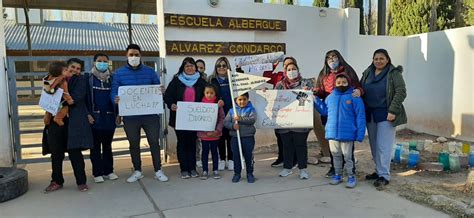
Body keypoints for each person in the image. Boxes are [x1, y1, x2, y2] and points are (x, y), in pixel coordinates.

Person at [111, 44, 168, 183]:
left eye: (136, 54)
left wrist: (160, 90)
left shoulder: (150, 72)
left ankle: (158, 170)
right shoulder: (119, 73)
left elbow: (158, 87)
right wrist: (115, 98)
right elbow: (113, 91)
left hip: (150, 115)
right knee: (133, 143)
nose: (134, 57)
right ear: (126, 56)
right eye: (131, 54)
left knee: (154, 142)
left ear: (140, 56)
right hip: (130, 116)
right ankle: (137, 170)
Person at [360, 49, 407, 190]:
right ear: (373, 60)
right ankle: (378, 171)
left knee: (383, 146)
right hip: (371, 114)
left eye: (382, 58)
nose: (378, 61)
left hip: (386, 114)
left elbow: (401, 92)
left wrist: (393, 110)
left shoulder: (394, 74)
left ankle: (384, 175)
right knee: (374, 146)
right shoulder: (368, 72)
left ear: (387, 59)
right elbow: (361, 89)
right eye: (376, 59)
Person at [42, 60, 91, 193]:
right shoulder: (53, 79)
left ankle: (81, 181)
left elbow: (77, 98)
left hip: (73, 122)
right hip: (54, 123)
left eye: (78, 68)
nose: (75, 70)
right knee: (56, 153)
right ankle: (56, 181)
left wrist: (62, 98)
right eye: (72, 67)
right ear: (65, 68)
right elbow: (46, 94)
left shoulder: (80, 81)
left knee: (75, 153)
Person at [314, 49, 364, 178]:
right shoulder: (323, 74)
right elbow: (320, 91)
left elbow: (358, 87)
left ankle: (350, 170)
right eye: (329, 58)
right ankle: (335, 168)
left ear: (339, 58)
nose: (332, 60)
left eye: (334, 57)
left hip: (346, 114)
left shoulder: (348, 71)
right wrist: (315, 93)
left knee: (347, 147)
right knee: (334, 145)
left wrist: (359, 91)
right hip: (329, 113)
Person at [164, 57, 207, 179]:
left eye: (192, 65)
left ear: (195, 67)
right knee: (182, 143)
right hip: (179, 118)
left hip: (194, 118)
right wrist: (171, 104)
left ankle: (192, 168)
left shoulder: (201, 81)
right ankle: (184, 169)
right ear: (183, 67)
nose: (189, 68)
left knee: (192, 143)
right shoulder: (176, 81)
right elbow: (167, 96)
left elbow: (208, 95)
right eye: (187, 66)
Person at [275, 62, 313, 180]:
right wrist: (266, 92)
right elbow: (274, 99)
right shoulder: (280, 85)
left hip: (300, 121)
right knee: (286, 146)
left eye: (294, 68)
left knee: (300, 145)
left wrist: (307, 92)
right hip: (284, 122)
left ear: (298, 69)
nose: (292, 71)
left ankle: (303, 169)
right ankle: (287, 168)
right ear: (285, 72)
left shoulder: (305, 83)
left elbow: (309, 100)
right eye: (289, 69)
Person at [87, 53, 119, 183]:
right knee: (95, 147)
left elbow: (119, 95)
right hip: (94, 118)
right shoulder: (88, 78)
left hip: (109, 118)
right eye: (99, 61)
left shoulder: (113, 78)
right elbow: (85, 99)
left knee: (107, 146)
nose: (102, 63)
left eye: (105, 61)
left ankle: (108, 171)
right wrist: (88, 114)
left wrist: (118, 114)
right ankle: (97, 173)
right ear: (94, 62)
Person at [262, 57, 299, 167]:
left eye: (291, 65)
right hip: (279, 111)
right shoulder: (278, 76)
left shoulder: (299, 79)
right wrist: (272, 65)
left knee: (294, 137)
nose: (289, 68)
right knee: (280, 136)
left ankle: (295, 159)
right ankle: (281, 158)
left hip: (294, 111)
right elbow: (266, 76)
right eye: (286, 65)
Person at [224, 92, 256, 183]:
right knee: (236, 156)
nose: (242, 101)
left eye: (244, 99)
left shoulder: (251, 109)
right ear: (236, 100)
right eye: (240, 99)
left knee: (249, 156)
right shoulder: (231, 111)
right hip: (235, 137)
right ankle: (237, 173)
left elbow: (252, 120)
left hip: (248, 137)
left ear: (248, 99)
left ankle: (250, 173)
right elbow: (226, 122)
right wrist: (232, 126)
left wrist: (240, 119)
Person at [209, 57, 234, 171]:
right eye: (219, 66)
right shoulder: (211, 80)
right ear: (216, 68)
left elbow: (242, 93)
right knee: (220, 136)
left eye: (224, 65)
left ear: (228, 66)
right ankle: (222, 159)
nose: (222, 68)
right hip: (218, 113)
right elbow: (206, 96)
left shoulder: (234, 79)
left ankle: (231, 159)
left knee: (231, 137)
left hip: (231, 112)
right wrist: (216, 102)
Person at [197, 84, 225, 180]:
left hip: (215, 135)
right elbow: (198, 119)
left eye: (211, 93)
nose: (209, 95)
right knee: (204, 153)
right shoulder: (200, 105)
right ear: (204, 93)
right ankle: (205, 170)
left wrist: (217, 130)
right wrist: (205, 131)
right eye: (207, 93)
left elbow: (222, 118)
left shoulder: (218, 105)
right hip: (204, 135)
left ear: (215, 93)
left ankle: (215, 170)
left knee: (214, 153)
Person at [195, 60, 207, 168]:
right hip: (192, 112)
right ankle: (195, 158)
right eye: (197, 67)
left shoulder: (207, 80)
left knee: (201, 138)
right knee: (193, 139)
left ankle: (200, 158)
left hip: (203, 112)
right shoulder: (185, 78)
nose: (199, 70)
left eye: (201, 68)